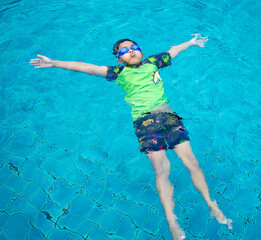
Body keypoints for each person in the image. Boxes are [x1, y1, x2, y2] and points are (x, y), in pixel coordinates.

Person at [30, 34, 232, 240]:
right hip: (145, 124)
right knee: (162, 170)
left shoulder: (153, 62)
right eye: (124, 50)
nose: (131, 51)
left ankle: (211, 205)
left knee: (192, 162)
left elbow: (173, 50)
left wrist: (190, 42)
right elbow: (86, 67)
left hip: (170, 118)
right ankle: (172, 221)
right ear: (119, 59)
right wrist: (53, 62)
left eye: (134, 47)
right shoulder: (118, 72)